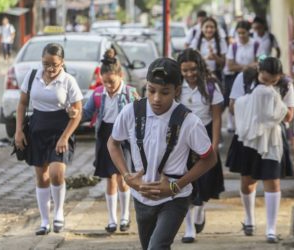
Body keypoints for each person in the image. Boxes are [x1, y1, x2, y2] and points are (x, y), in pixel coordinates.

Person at [107, 57, 217, 250]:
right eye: (151, 90)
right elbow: (113, 143)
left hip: (175, 197)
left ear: (176, 91)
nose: (157, 98)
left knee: (156, 247)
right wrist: (127, 176)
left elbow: (210, 158)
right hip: (141, 196)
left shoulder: (189, 121)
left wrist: (176, 186)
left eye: (165, 92)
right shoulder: (131, 111)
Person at [14, 43, 83, 235]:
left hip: (61, 131)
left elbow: (78, 114)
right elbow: (21, 104)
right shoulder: (32, 75)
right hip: (37, 129)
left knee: (56, 173)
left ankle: (59, 212)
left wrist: (65, 137)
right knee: (41, 176)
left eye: (54, 64)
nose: (50, 69)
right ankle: (44, 221)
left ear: (62, 62)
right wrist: (18, 131)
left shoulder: (68, 81)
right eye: (46, 64)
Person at [226, 57, 294, 243]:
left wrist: (273, 101)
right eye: (265, 80)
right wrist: (252, 101)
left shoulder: (286, 85)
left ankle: (271, 229)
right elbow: (232, 106)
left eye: (274, 81)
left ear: (279, 77)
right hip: (248, 135)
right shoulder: (244, 78)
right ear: (258, 72)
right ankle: (249, 219)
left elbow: (288, 116)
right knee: (248, 181)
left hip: (273, 139)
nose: (269, 84)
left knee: (273, 181)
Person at [80, 49, 139, 233]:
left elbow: (140, 115)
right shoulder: (98, 94)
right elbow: (86, 113)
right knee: (110, 179)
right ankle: (112, 219)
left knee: (124, 178)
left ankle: (125, 217)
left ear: (120, 75)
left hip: (124, 139)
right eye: (104, 82)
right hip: (106, 137)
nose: (108, 86)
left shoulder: (130, 93)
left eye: (111, 82)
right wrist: (74, 114)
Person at [177, 49, 225, 243]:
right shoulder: (177, 86)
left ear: (200, 67)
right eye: (185, 70)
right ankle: (189, 227)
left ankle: (200, 209)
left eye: (193, 70)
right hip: (183, 137)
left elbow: (216, 117)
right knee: (186, 181)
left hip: (204, 134)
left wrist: (213, 144)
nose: (189, 74)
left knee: (204, 182)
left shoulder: (210, 85)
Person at [223, 20, 260, 133]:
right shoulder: (233, 46)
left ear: (249, 32)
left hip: (252, 78)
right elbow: (229, 66)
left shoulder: (256, 44)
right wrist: (248, 66)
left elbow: (258, 63)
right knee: (233, 100)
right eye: (238, 33)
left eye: (243, 33)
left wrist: (239, 66)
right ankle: (232, 124)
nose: (241, 35)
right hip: (235, 77)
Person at [191, 17, 228, 82]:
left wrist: (215, 57)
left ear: (216, 29)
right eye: (206, 27)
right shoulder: (196, 42)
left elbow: (224, 63)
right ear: (202, 28)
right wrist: (205, 58)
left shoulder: (221, 42)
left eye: (212, 27)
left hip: (216, 76)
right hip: (199, 75)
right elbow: (192, 61)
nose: (209, 30)